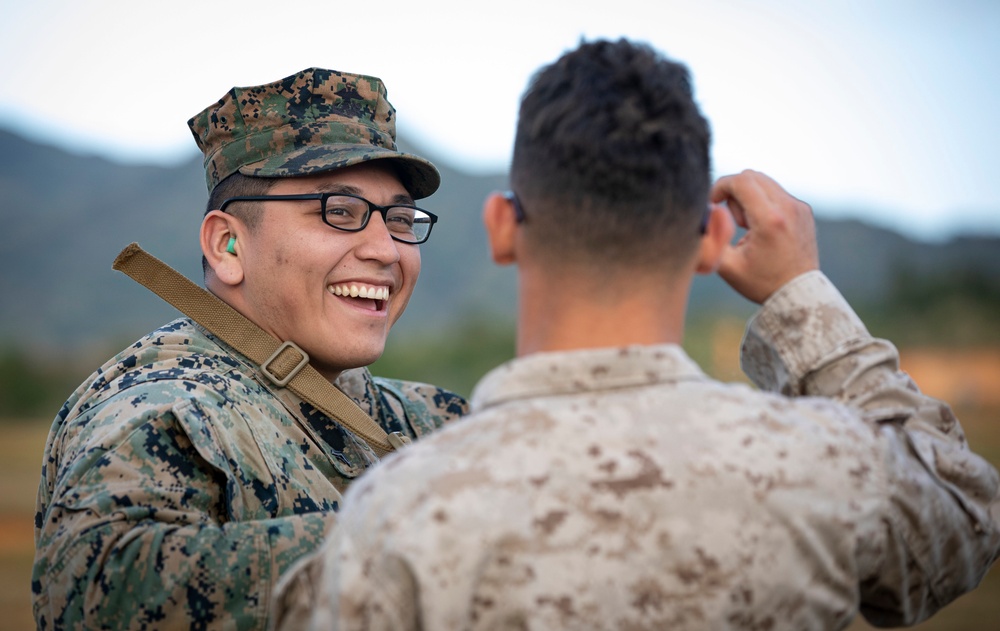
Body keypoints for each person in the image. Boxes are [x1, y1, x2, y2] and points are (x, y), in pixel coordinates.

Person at [271, 40, 1000, 630]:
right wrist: (799, 293)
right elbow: (966, 520)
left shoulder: (399, 513)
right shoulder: (829, 465)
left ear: (500, 228)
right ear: (712, 239)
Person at [32, 67, 468, 630]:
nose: (386, 249)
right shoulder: (166, 411)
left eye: (402, 219)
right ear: (227, 244)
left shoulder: (424, 419)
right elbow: (100, 589)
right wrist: (434, 535)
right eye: (339, 212)